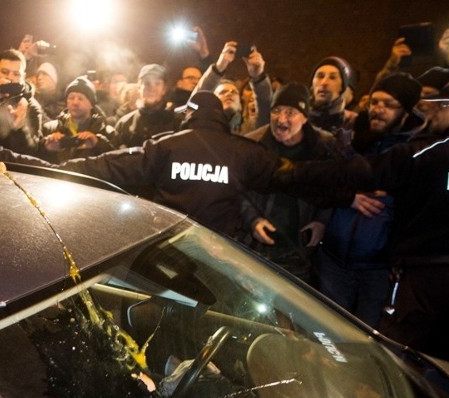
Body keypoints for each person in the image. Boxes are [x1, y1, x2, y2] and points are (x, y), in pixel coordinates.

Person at [277, 75, 449, 367]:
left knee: (397, 360)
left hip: (421, 285)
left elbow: (355, 171)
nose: (434, 111)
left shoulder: (429, 154)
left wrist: (291, 171)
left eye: (445, 105)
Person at [62, 90, 353, 238]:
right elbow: (295, 177)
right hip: (219, 253)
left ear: (190, 113)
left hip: (168, 244)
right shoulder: (243, 151)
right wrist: (347, 195)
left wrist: (62, 169)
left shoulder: (166, 146)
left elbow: (109, 166)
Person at [314, 72, 424, 327]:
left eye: (388, 104)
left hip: (378, 268)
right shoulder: (353, 140)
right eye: (374, 102)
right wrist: (348, 196)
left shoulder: (415, 152)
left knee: (368, 338)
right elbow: (324, 183)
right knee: (327, 330)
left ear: (407, 111)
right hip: (334, 258)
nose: (378, 110)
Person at [240, 82, 335, 283]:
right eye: (276, 111)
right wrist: (253, 219)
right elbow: (238, 188)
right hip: (256, 248)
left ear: (305, 117)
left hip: (298, 250)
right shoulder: (253, 144)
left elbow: (332, 186)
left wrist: (321, 221)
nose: (281, 119)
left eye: (290, 112)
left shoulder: (323, 148)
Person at [193, 41, 272, 134]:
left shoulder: (252, 129)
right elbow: (196, 101)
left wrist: (258, 76)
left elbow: (265, 106)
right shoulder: (202, 127)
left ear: (240, 105)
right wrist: (219, 68)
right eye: (222, 92)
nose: (229, 93)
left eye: (234, 92)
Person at [41, 75, 115, 163]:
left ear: (91, 104)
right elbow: (36, 160)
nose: (75, 102)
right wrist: (46, 148)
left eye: (81, 98)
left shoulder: (107, 133)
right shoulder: (49, 129)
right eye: (71, 98)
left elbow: (115, 165)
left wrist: (98, 144)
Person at [113, 63, 178, 148]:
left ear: (164, 89)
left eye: (157, 83)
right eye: (147, 83)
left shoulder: (177, 122)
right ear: (139, 87)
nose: (152, 88)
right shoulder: (124, 124)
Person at [309, 56, 357, 134]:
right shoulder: (298, 120)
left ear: (342, 87)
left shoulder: (353, 122)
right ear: (312, 85)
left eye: (332, 77)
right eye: (320, 76)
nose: (324, 82)